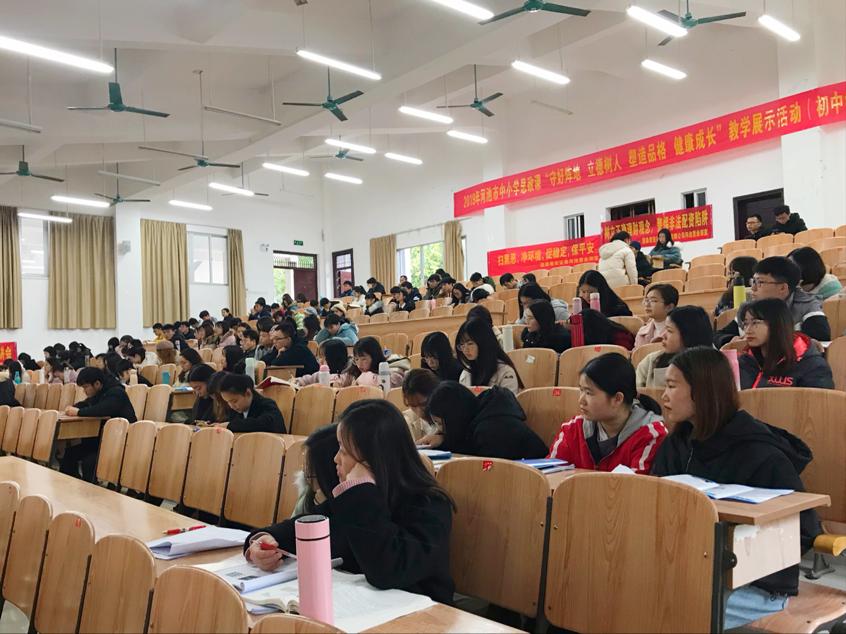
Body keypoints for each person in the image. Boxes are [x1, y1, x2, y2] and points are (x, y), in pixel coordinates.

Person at [651, 347, 821, 629]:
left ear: (703, 391)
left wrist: (738, 556)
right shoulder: (677, 444)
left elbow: (805, 530)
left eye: (671, 386)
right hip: (689, 569)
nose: (663, 396)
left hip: (756, 585)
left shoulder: (760, 453)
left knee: (662, 609)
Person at [245, 400, 456, 604]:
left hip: (424, 615)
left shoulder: (429, 505)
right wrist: (260, 542)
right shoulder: (350, 500)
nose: (336, 459)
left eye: (344, 451)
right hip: (363, 611)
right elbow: (296, 530)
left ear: (374, 458)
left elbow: (386, 571)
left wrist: (361, 491)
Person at [548, 354, 667, 473]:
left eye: (589, 393)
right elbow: (550, 474)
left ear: (617, 399)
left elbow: (636, 483)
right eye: (581, 390)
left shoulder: (651, 436)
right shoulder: (573, 429)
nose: (581, 400)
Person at [715, 257, 831, 347]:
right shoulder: (750, 307)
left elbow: (821, 338)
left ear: (782, 288)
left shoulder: (807, 305)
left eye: (760, 282)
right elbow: (717, 335)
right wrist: (730, 339)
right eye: (753, 282)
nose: (753, 288)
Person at [423, 382, 547, 459]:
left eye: (440, 423)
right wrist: (443, 440)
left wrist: (445, 442)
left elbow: (484, 466)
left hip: (536, 476)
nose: (439, 429)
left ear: (454, 417)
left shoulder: (490, 429)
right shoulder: (477, 415)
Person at [60, 367, 137, 481]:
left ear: (97, 384)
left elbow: (101, 409)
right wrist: (74, 407)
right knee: (69, 454)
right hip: (101, 440)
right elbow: (87, 403)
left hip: (119, 441)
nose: (84, 391)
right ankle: (70, 485)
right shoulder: (99, 392)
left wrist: (78, 412)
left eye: (86, 387)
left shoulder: (116, 393)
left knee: (89, 462)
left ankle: (88, 489)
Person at [738, 299, 834, 390]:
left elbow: (820, 400)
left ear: (777, 324)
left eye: (755, 323)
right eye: (746, 324)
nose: (748, 330)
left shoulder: (812, 366)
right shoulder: (744, 362)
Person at [636, 306, 713, 387]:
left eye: (669, 331)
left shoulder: (714, 367)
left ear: (688, 335)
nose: (663, 335)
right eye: (664, 329)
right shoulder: (651, 362)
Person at [456, 318, 522, 394]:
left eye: (470, 343)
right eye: (462, 345)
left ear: (484, 343)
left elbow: (508, 400)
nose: (465, 349)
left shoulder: (505, 372)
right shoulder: (466, 373)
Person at [291, 424, 342, 516]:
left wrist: (321, 508)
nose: (305, 471)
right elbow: (294, 522)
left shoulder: (347, 502)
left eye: (310, 466)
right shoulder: (307, 493)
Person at [218, 373, 286, 433]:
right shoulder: (236, 410)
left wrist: (230, 425)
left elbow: (264, 424)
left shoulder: (267, 405)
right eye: (228, 402)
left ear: (248, 393)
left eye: (234, 401)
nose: (231, 406)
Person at [634, 283, 679, 350]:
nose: (647, 304)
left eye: (653, 301)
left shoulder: (678, 331)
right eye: (646, 300)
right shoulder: (642, 332)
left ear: (669, 307)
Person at [401, 369, 440, 442]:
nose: (419, 412)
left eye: (424, 404)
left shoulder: (450, 417)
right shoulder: (407, 422)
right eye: (413, 406)